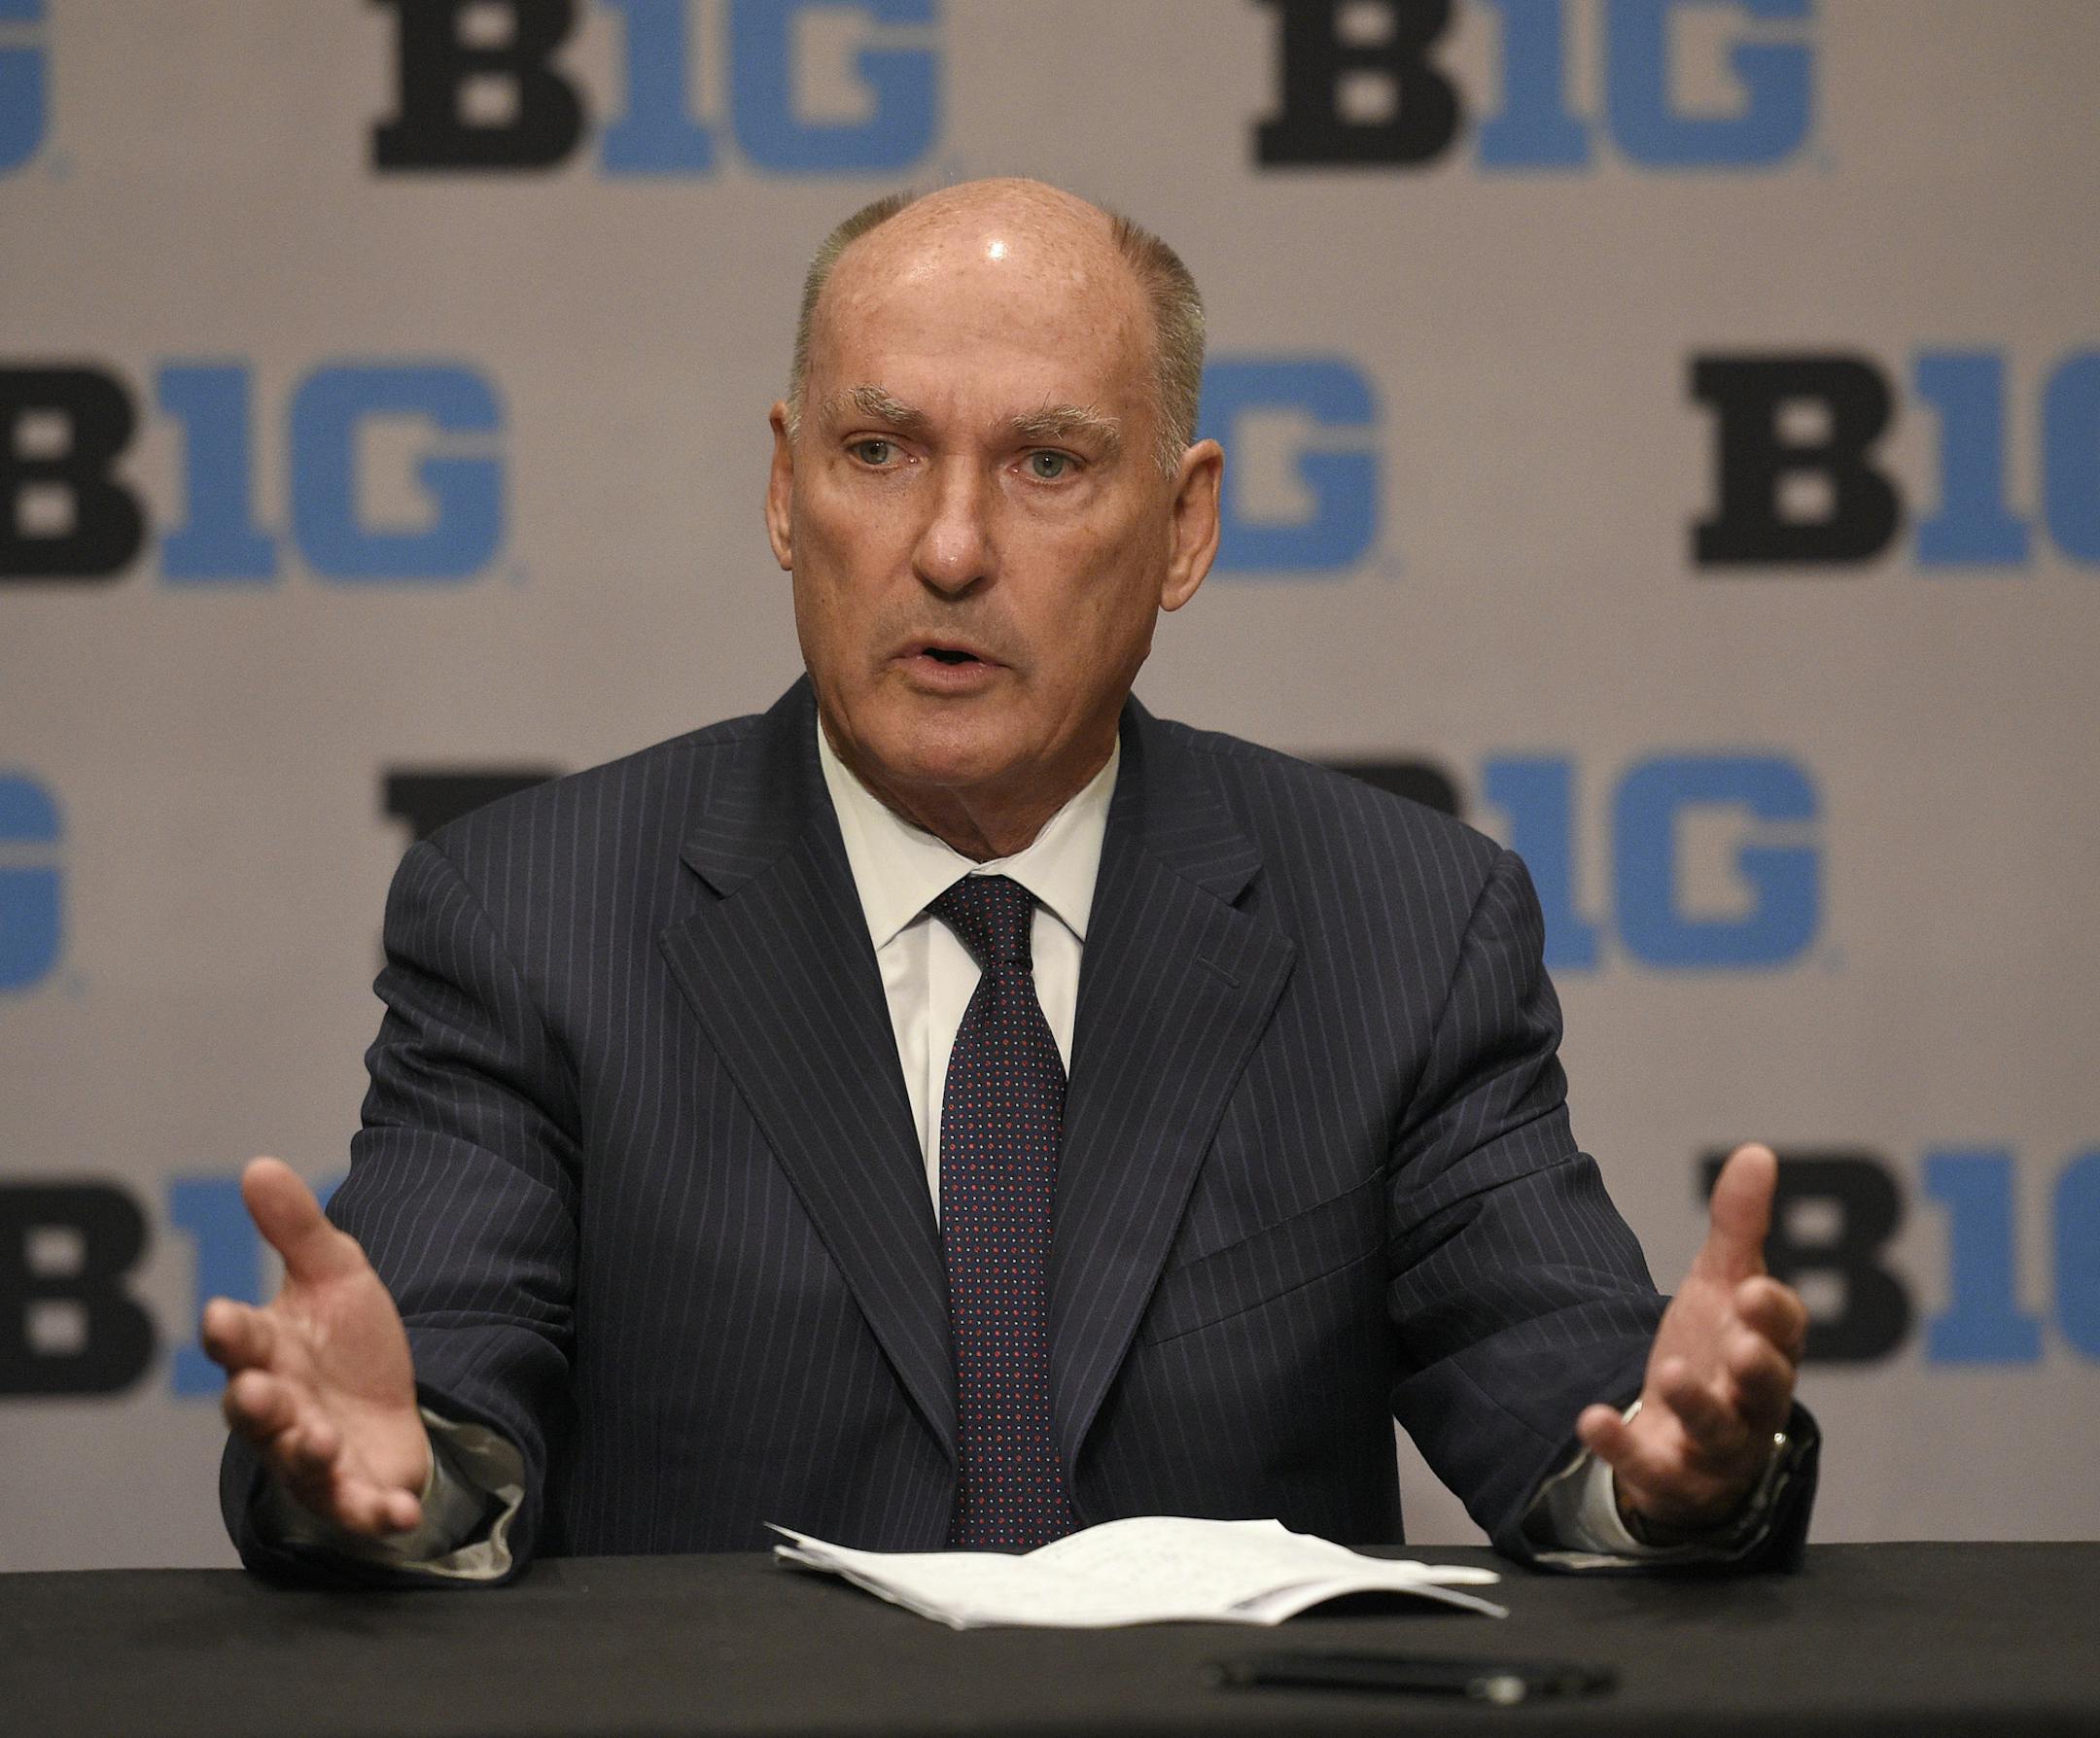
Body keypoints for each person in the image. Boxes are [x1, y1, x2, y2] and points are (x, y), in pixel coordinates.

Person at [206, 179, 1815, 1585]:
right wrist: (395, 1483)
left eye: (1047, 464)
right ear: (786, 492)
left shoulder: (1402, 924)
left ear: (1184, 529)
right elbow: (425, 1410)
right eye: (881, 450)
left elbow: (1581, 1410)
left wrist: (1674, 1481)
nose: (952, 546)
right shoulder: (532, 920)